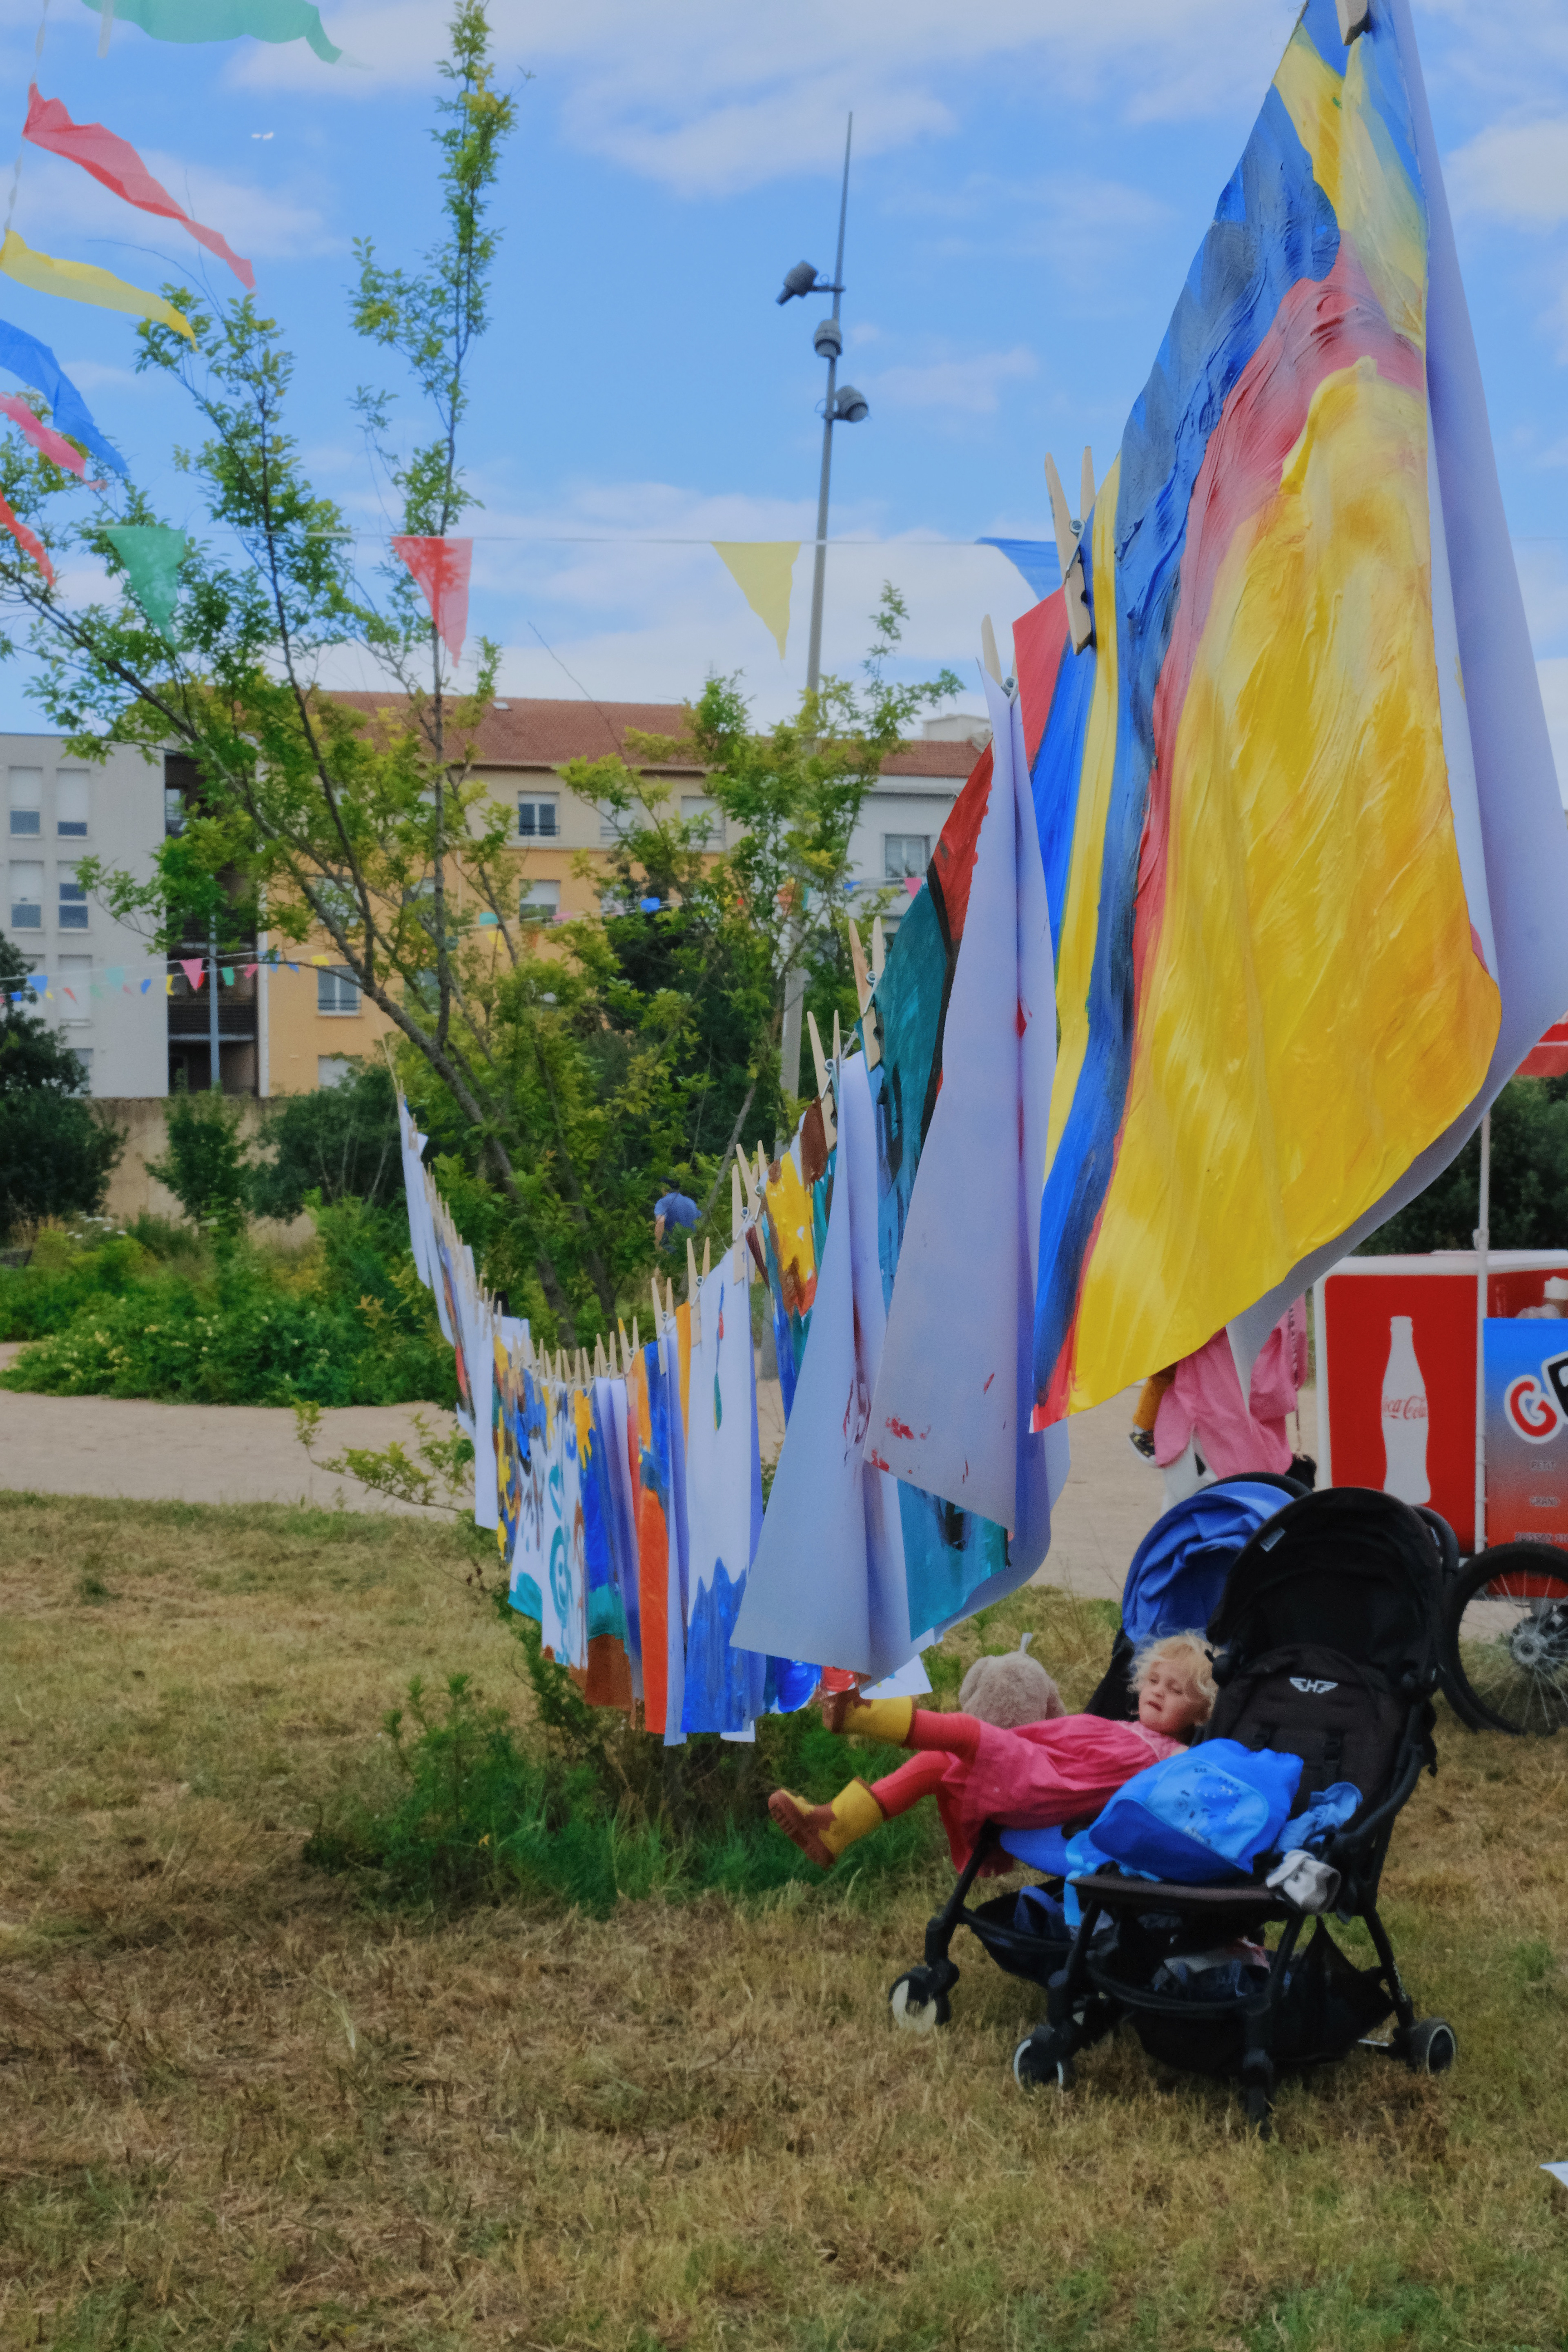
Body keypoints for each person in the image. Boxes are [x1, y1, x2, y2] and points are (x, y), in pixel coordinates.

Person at [768, 1631, 1216, 1874]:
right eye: (1153, 1681)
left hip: (1046, 1788)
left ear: (1201, 1715)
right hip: (1035, 1769)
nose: (1159, 1692)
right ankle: (834, 1827)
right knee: (934, 1764)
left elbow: (1190, 1798)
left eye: (1176, 1690)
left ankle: (862, 1714)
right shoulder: (1124, 1727)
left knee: (967, 1731)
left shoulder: (1176, 1756)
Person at [653, 1182, 698, 1253]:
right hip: (692, 1244)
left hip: (673, 1245)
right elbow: (698, 1219)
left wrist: (657, 1244)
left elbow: (661, 1221)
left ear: (664, 1189)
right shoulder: (691, 1202)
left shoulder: (662, 1202)